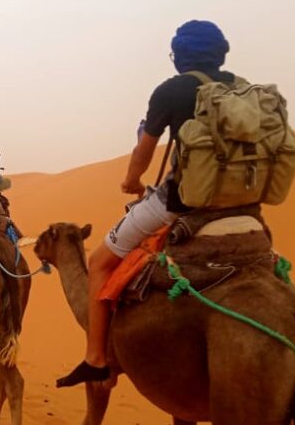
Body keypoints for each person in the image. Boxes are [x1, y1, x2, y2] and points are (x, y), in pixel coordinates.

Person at [57, 19, 237, 387]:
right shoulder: (240, 89)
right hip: (240, 205)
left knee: (99, 263)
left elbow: (144, 151)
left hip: (181, 203)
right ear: (221, 53)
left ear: (178, 56)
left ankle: (96, 357)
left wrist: (131, 181)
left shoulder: (172, 91)